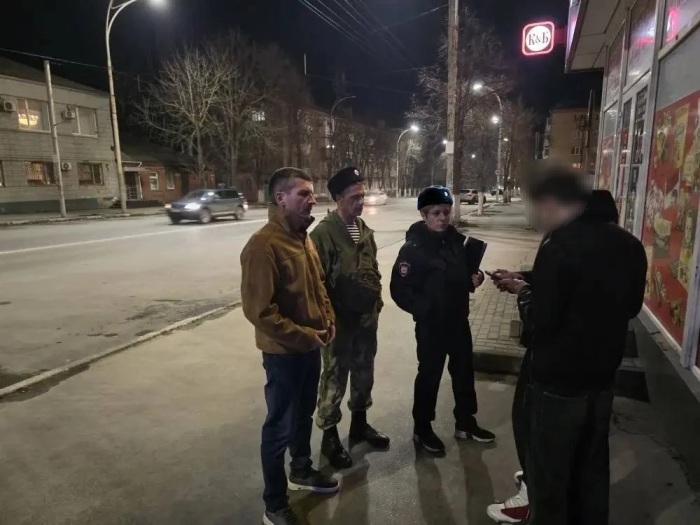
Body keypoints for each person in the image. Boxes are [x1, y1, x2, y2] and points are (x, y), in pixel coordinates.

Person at [492, 174, 646, 525]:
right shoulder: (630, 245)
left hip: (557, 381)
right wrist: (527, 277)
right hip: (602, 377)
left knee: (550, 473)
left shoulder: (560, 243)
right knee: (591, 467)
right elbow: (630, 305)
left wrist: (522, 291)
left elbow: (541, 320)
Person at [240, 167, 340, 525]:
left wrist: (328, 321)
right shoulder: (263, 246)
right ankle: (275, 504)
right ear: (281, 198)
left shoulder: (302, 238)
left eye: (311, 193)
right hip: (283, 355)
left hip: (311, 348)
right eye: (304, 194)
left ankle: (301, 471)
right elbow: (259, 311)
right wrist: (304, 336)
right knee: (278, 428)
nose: (312, 199)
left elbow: (319, 286)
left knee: (302, 416)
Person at [390, 185, 495, 454]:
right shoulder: (413, 249)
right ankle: (422, 428)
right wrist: (425, 310)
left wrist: (474, 279)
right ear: (424, 215)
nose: (443, 218)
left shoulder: (456, 242)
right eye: (436, 213)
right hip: (431, 326)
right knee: (430, 375)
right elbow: (399, 289)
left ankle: (465, 422)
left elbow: (461, 277)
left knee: (464, 373)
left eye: (446, 212)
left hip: (458, 321)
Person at [310, 167, 390, 470]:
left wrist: (376, 304)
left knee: (364, 372)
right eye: (354, 197)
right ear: (338, 197)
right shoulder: (323, 234)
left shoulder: (363, 230)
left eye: (362, 196)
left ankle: (359, 424)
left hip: (365, 320)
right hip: (339, 323)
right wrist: (328, 320)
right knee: (334, 377)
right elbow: (316, 284)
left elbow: (373, 270)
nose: (360, 202)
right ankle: (329, 436)